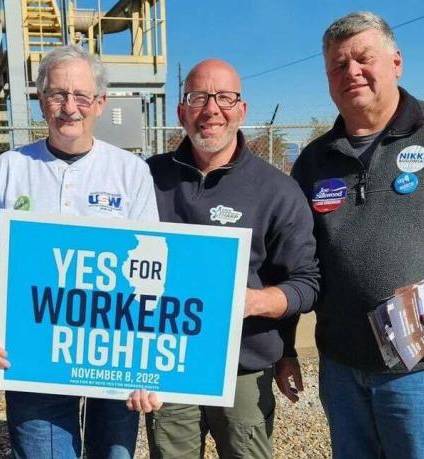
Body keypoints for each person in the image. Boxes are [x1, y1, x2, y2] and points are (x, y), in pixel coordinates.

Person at [127, 58, 319, 459]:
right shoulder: (145, 178)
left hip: (242, 366)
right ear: (181, 112)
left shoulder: (277, 190)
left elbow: (305, 282)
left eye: (225, 97)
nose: (212, 109)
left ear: (242, 110)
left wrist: (253, 301)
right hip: (168, 366)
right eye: (198, 97)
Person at [0, 44, 159, 459]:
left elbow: (150, 274)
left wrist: (147, 360)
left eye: (81, 96)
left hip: (113, 354)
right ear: (41, 101)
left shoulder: (130, 172)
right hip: (34, 353)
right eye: (58, 94)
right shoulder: (10, 168)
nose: (69, 107)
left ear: (100, 103)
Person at [291, 11, 424, 459]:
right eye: (338, 66)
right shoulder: (314, 160)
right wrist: (286, 346)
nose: (352, 73)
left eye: (364, 59)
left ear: (396, 62)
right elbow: (295, 261)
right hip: (342, 367)